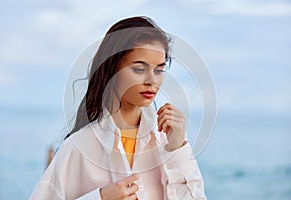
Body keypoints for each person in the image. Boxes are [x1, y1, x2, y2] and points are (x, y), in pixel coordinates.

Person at [30, 16, 207, 200]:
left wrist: (177, 148)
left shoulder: (169, 139)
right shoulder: (78, 147)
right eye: (139, 69)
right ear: (112, 69)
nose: (152, 81)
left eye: (159, 70)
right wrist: (100, 198)